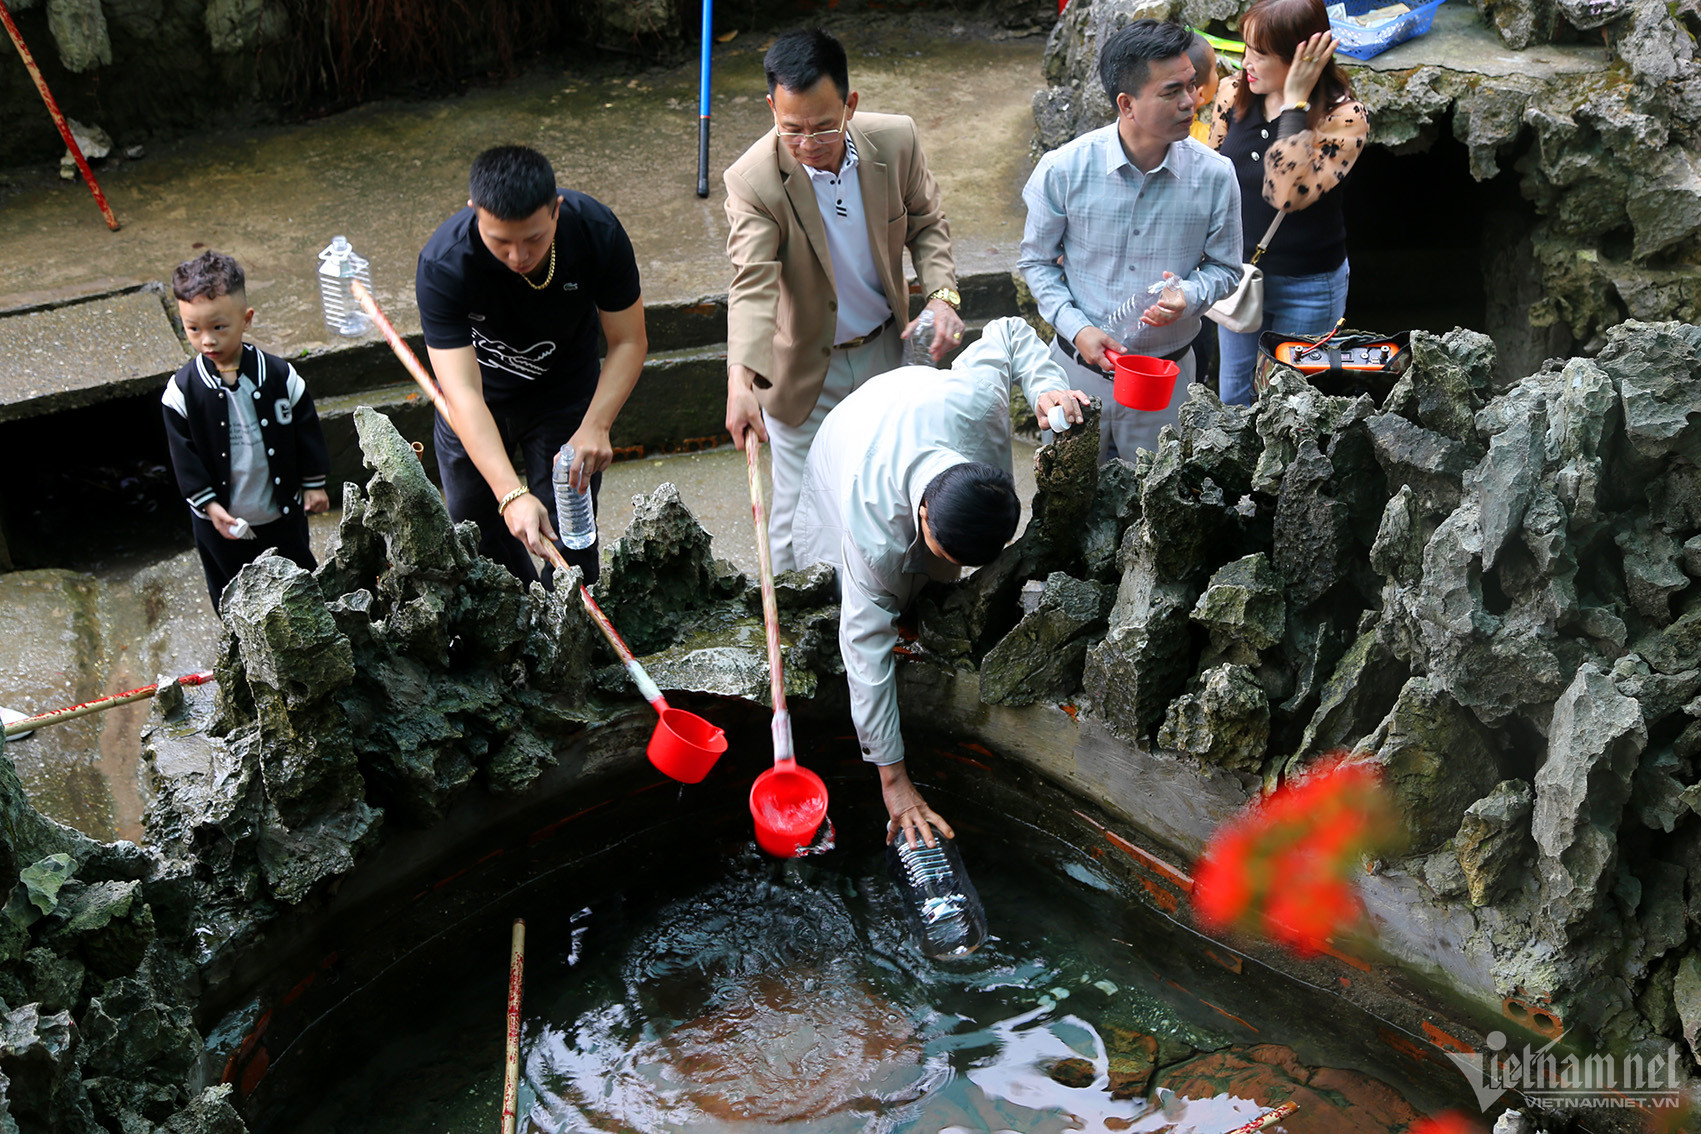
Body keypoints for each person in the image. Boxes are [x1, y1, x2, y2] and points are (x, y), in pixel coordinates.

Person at [793, 317, 1089, 848]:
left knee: (922, 590)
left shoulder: (976, 402)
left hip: (927, 405)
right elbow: (865, 650)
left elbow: (1009, 332)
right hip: (849, 437)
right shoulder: (872, 528)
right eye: (945, 553)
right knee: (851, 610)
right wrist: (895, 781)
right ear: (923, 514)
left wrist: (1045, 384)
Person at [724, 27, 964, 574]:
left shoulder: (896, 140)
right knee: (796, 512)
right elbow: (752, 281)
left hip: (887, 347)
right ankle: (798, 626)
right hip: (804, 364)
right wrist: (741, 379)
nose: (809, 143)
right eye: (792, 130)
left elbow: (927, 225)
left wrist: (942, 297)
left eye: (824, 127)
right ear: (771, 109)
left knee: (906, 482)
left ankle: (924, 608)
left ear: (850, 105)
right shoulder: (752, 180)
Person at [416, 145, 647, 586]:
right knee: (475, 539)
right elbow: (461, 393)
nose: (519, 256)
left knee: (571, 539)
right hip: (480, 404)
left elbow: (629, 340)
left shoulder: (596, 232)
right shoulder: (445, 263)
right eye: (500, 241)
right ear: (474, 213)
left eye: (534, 239)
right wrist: (510, 493)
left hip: (565, 396)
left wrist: (596, 425)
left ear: (555, 211)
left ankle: (573, 627)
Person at [1019, 19, 1242, 464]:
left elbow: (1227, 269)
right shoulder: (1064, 170)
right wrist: (1077, 328)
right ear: (1127, 103)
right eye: (1171, 91)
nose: (1191, 102)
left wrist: (1191, 294)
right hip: (1075, 376)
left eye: (1193, 86)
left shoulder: (1216, 176)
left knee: (1157, 511)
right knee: (1069, 506)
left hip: (1166, 379)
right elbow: (1037, 263)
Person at [1208, 0, 1366, 405]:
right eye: (1246, 49)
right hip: (1238, 276)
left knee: (1292, 407)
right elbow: (1210, 181)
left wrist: (1293, 106)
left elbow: (1284, 194)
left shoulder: (1344, 118)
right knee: (1233, 401)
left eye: (1260, 54)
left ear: (1302, 56)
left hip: (1308, 284)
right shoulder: (1231, 94)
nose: (1247, 63)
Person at [161, 251, 330, 610]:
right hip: (221, 519)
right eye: (193, 329)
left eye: (218, 327)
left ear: (246, 319)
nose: (207, 340)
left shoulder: (280, 377)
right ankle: (243, 648)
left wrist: (313, 482)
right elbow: (183, 454)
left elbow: (306, 427)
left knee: (298, 579)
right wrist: (208, 505)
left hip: (279, 509)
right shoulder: (182, 392)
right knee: (231, 592)